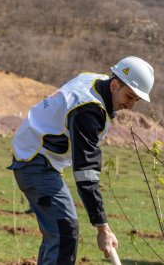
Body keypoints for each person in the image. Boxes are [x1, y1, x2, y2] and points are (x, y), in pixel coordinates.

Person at [8, 56, 155, 265]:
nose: (130, 106)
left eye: (135, 101)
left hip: (37, 157)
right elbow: (86, 172)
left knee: (59, 231)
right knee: (64, 229)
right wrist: (102, 228)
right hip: (35, 161)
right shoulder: (88, 109)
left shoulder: (95, 81)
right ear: (114, 85)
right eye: (129, 96)